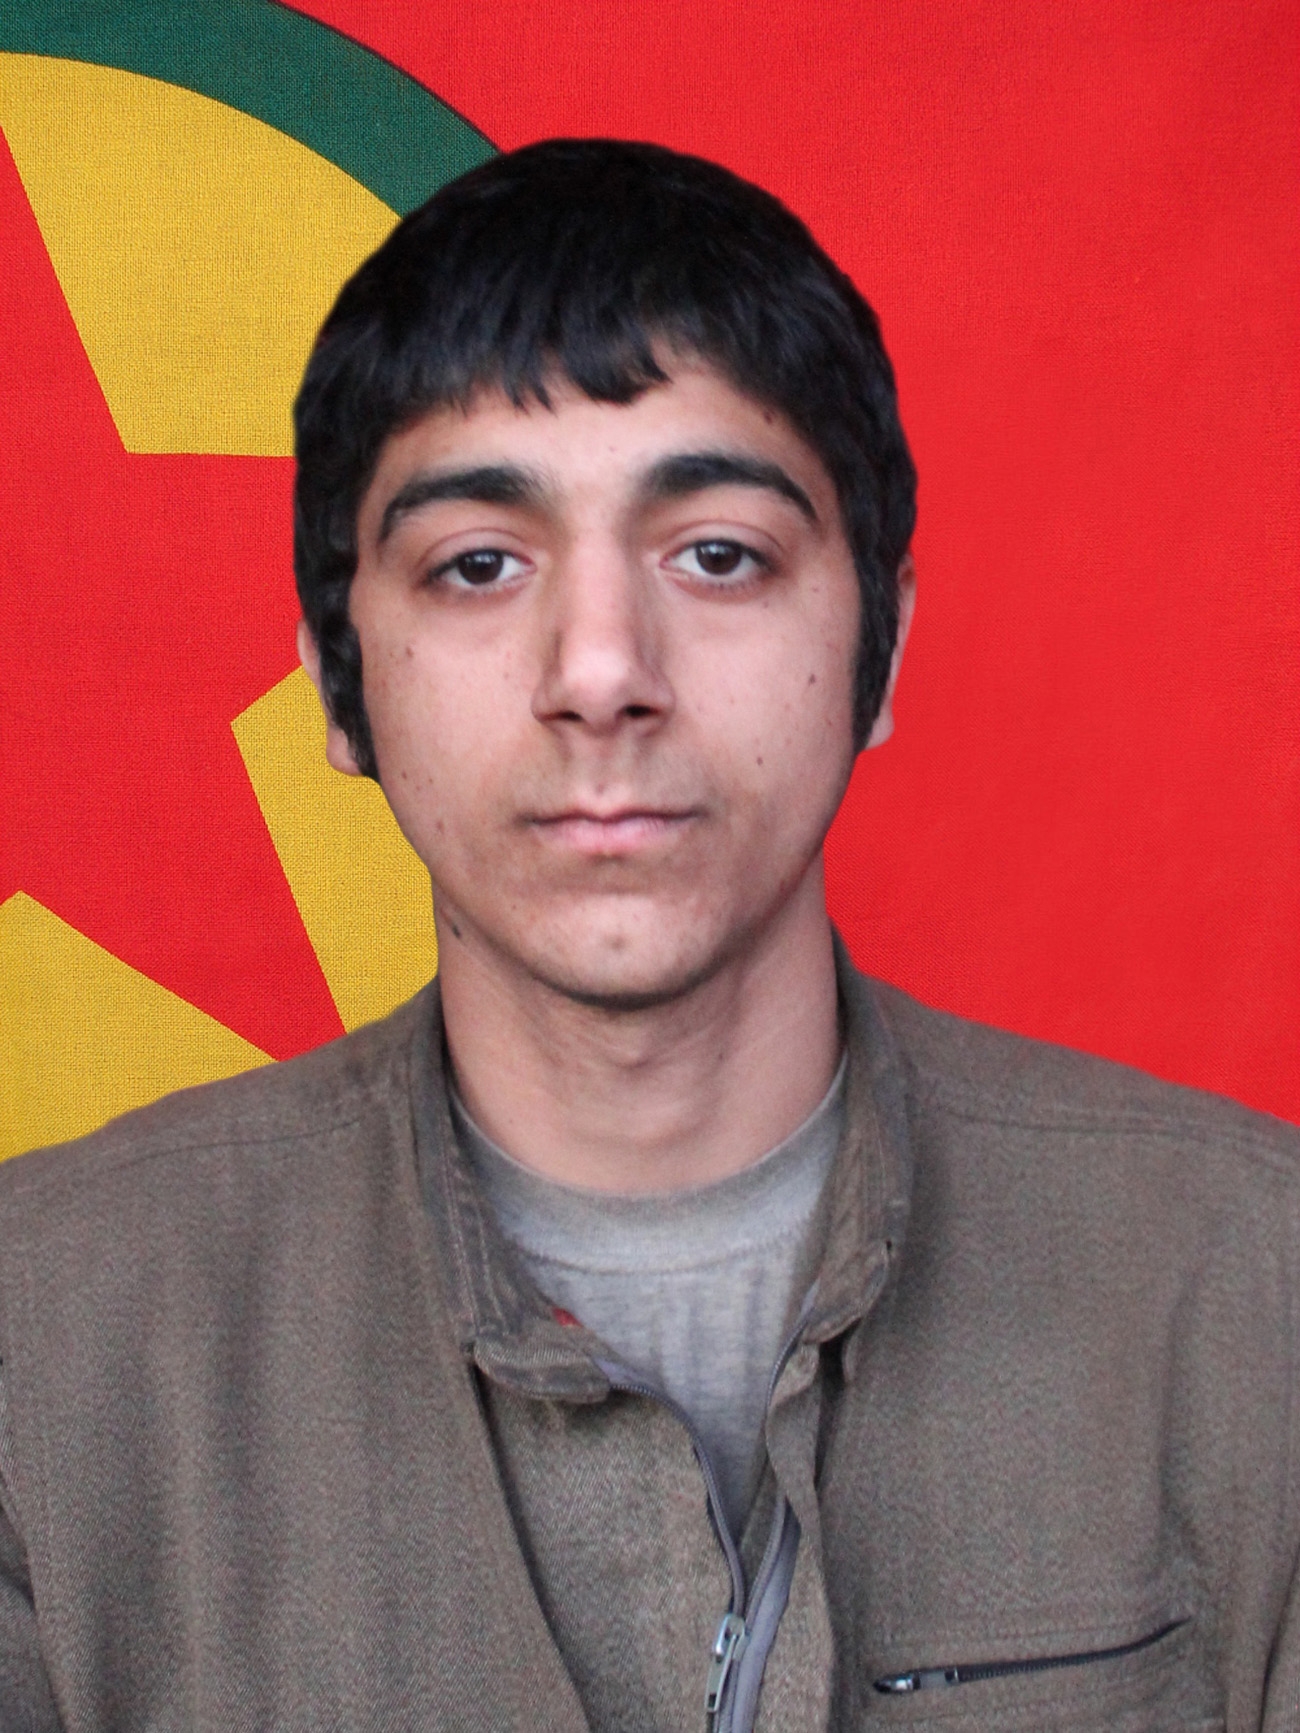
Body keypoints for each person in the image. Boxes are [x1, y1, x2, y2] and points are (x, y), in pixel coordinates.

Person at [0, 138, 1295, 1733]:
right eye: (479, 565)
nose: (602, 668)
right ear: (339, 677)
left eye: (719, 555)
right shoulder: (39, 1348)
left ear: (882, 647)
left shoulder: (1257, 1290)